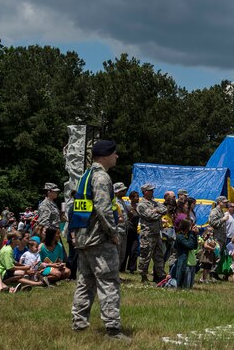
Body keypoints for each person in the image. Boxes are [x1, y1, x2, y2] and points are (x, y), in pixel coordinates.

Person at [70, 140, 129, 341]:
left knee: (85, 283)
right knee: (109, 282)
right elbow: (103, 209)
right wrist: (113, 233)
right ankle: (113, 329)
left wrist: (75, 232)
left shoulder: (85, 176)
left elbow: (78, 208)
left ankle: (79, 324)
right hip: (99, 239)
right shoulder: (102, 177)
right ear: (105, 155)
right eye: (115, 153)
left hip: (84, 238)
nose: (117, 157)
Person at [137, 183, 168, 283]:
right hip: (148, 234)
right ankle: (143, 276)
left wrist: (156, 210)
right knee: (146, 255)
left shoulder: (154, 203)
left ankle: (161, 276)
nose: (153, 192)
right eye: (150, 190)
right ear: (145, 192)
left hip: (157, 233)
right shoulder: (141, 204)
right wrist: (158, 212)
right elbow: (151, 216)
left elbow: (165, 209)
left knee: (159, 255)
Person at [208, 196, 230, 281]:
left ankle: (215, 273)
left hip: (221, 237)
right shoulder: (214, 212)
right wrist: (223, 219)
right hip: (216, 237)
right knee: (215, 256)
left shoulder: (221, 211)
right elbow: (213, 223)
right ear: (219, 202)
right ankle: (212, 274)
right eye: (224, 202)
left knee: (219, 256)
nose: (226, 203)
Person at [173, 218, 197, 288]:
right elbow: (189, 246)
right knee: (185, 286)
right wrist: (192, 234)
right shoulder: (180, 237)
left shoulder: (189, 235)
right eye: (190, 226)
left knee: (190, 286)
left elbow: (195, 246)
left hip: (192, 262)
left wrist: (194, 234)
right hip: (185, 262)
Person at [121, 191, 139, 274]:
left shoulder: (139, 208)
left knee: (134, 250)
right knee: (126, 249)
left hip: (135, 231)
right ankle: (122, 267)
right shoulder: (127, 207)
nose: (138, 198)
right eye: (136, 197)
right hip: (128, 229)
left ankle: (132, 268)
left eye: (138, 196)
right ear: (131, 198)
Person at [112, 182, 129, 269]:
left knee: (122, 253)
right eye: (122, 191)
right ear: (116, 192)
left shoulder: (122, 201)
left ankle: (117, 273)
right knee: (117, 253)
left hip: (124, 230)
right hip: (118, 230)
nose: (124, 192)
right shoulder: (114, 202)